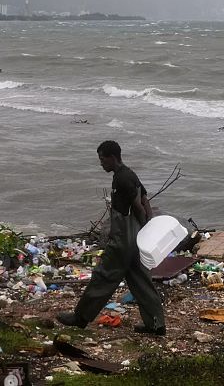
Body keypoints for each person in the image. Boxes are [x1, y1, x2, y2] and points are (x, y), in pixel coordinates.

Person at [56, 140, 166, 335]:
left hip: (123, 239)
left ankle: (80, 318)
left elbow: (138, 206)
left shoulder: (121, 179)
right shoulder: (130, 174)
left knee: (103, 277)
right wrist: (146, 229)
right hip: (136, 239)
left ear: (112, 157)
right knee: (141, 281)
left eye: (102, 159)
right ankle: (156, 324)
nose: (101, 164)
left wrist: (142, 225)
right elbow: (145, 200)